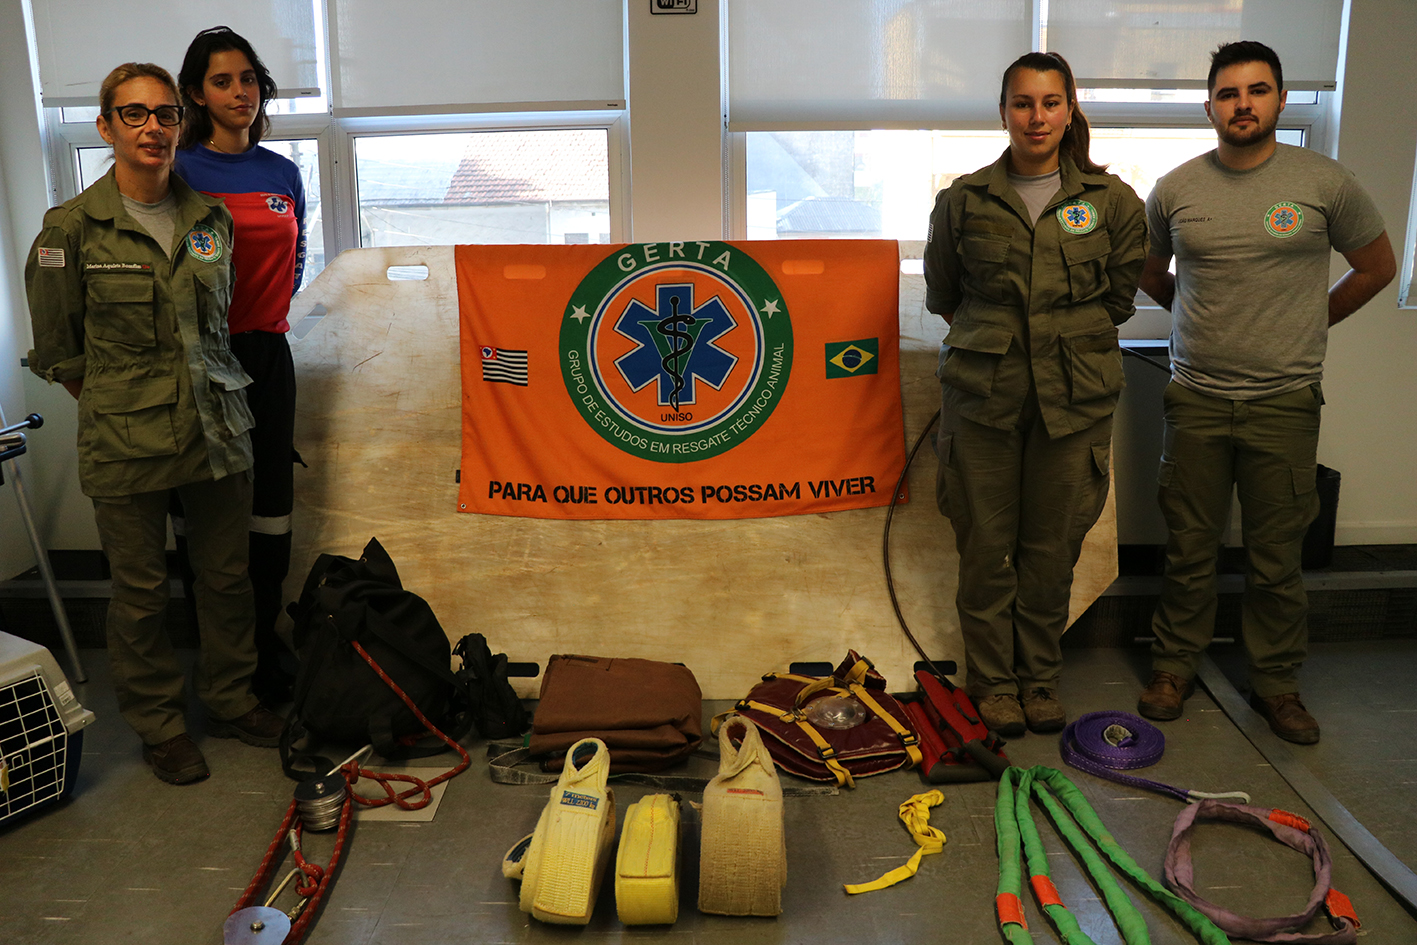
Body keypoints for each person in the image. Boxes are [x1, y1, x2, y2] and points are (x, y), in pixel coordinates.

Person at [25, 63, 284, 784]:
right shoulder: (70, 230)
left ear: (182, 124)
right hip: (126, 438)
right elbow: (61, 352)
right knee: (140, 593)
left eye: (165, 115)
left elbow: (217, 330)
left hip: (218, 425)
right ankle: (161, 725)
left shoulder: (211, 218)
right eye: (134, 115)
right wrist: (126, 403)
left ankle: (232, 698)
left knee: (226, 578)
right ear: (106, 127)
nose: (152, 128)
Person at [1137, 41, 1395, 744]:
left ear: (1279, 99)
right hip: (1193, 397)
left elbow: (1377, 266)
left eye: (1256, 90)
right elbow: (1147, 269)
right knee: (1188, 545)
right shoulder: (1175, 188)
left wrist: (1314, 320)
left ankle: (1277, 684)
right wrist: (1191, 308)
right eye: (1227, 93)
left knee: (1275, 555)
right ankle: (1171, 668)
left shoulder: (1324, 182)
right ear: (1208, 106)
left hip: (1282, 401)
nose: (1241, 103)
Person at [924, 52, 1147, 737]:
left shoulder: (1112, 204)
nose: (1037, 116)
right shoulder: (963, 200)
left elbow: (1116, 299)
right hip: (983, 399)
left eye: (1051, 103)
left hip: (1073, 401)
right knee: (985, 549)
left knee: (1050, 553)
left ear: (1069, 109)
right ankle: (992, 684)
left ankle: (1037, 679)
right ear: (1002, 112)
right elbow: (945, 295)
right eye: (1022, 103)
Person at [175, 27, 307, 705]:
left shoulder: (282, 173)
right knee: (215, 516)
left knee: (271, 509)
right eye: (222, 81)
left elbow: (295, 257)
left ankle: (265, 646)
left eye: (248, 79)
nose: (239, 93)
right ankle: (224, 661)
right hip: (206, 358)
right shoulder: (181, 170)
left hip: (268, 352)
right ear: (196, 93)